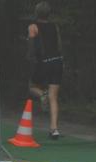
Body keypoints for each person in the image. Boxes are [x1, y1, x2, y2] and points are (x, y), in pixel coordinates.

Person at [27, 1, 64, 139]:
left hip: (43, 61)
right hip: (57, 60)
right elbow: (59, 44)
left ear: (36, 13)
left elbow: (31, 47)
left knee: (31, 87)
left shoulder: (33, 27)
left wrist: (31, 58)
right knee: (53, 96)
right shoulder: (55, 26)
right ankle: (54, 129)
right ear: (49, 14)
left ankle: (42, 94)